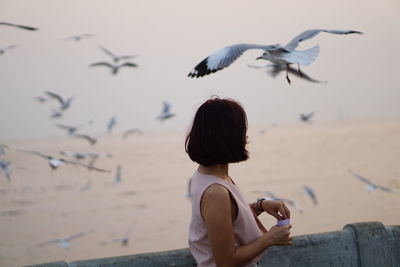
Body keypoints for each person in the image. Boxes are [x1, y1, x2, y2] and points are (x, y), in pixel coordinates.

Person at [185, 97, 293, 267]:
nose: (245, 136)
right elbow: (226, 261)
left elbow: (226, 220)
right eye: (241, 130)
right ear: (227, 136)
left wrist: (260, 206)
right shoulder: (215, 192)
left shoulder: (208, 177)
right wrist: (269, 239)